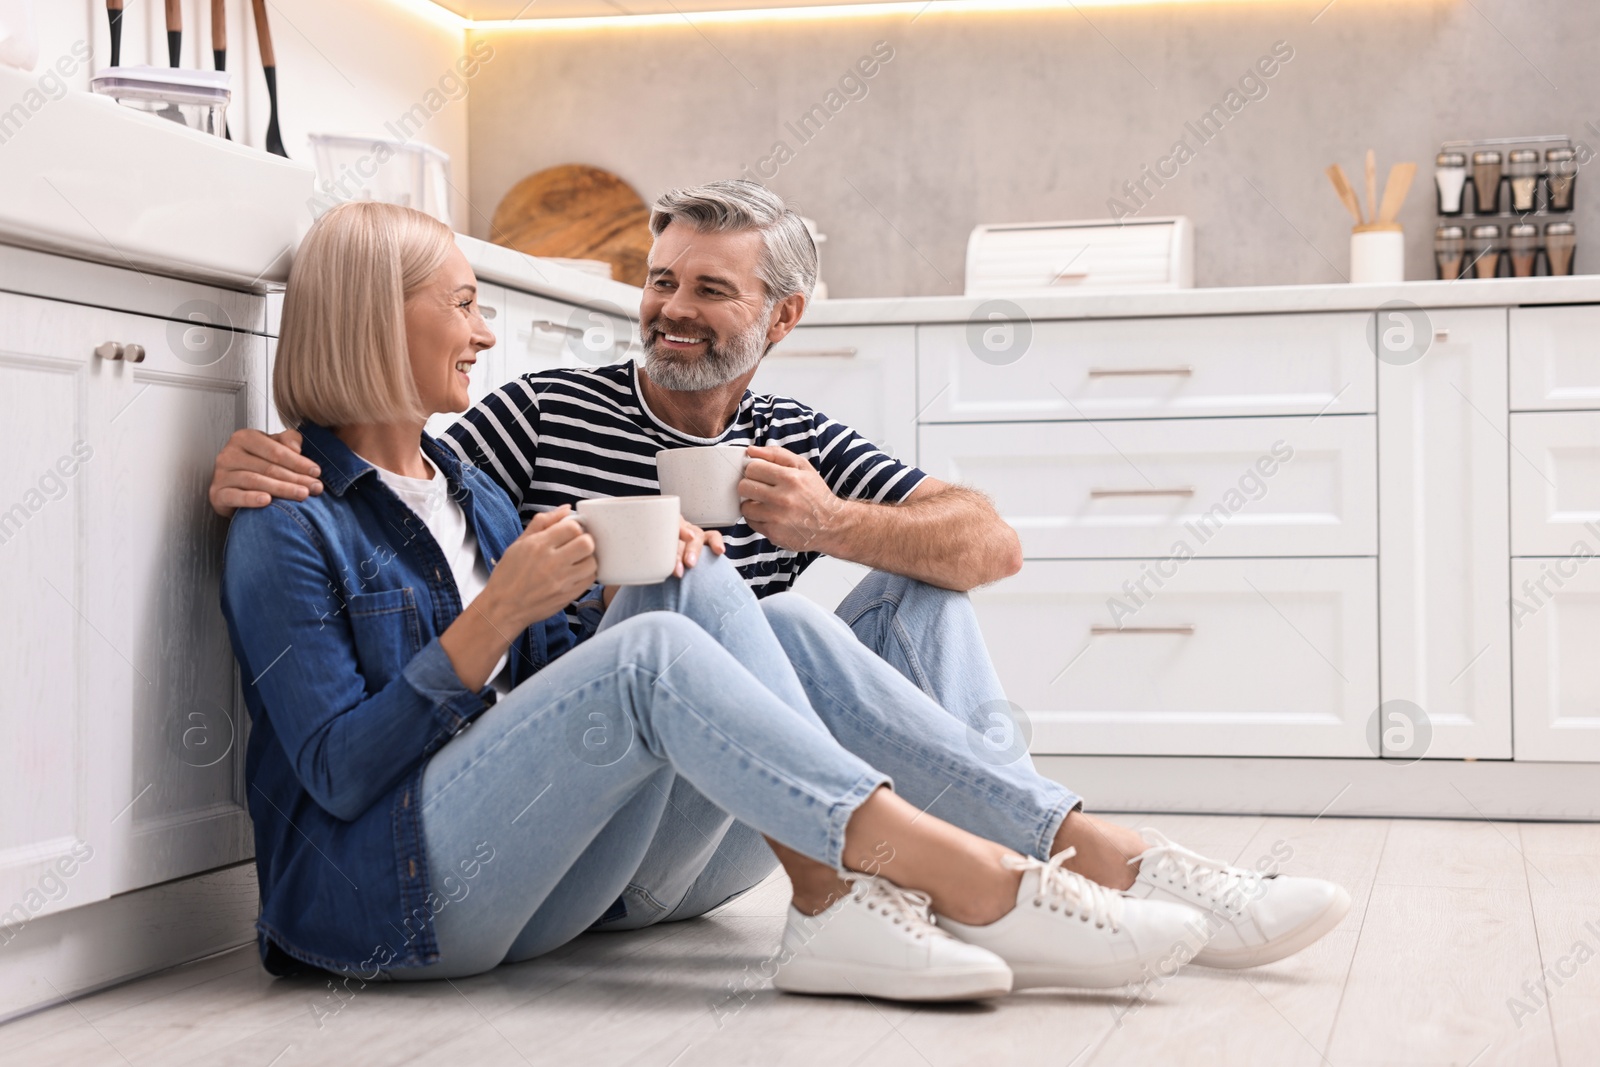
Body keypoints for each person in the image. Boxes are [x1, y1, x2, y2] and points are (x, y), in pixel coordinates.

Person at [217, 189, 1352, 987]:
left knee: (783, 616)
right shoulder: (320, 505)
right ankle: (962, 884)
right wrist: (505, 610)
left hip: (564, 853)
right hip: (395, 898)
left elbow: (986, 541)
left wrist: (799, 531)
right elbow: (338, 767)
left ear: (780, 317)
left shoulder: (473, 489)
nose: (489, 328)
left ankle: (1086, 856)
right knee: (682, 638)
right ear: (377, 316)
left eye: (708, 287)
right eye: (464, 303)